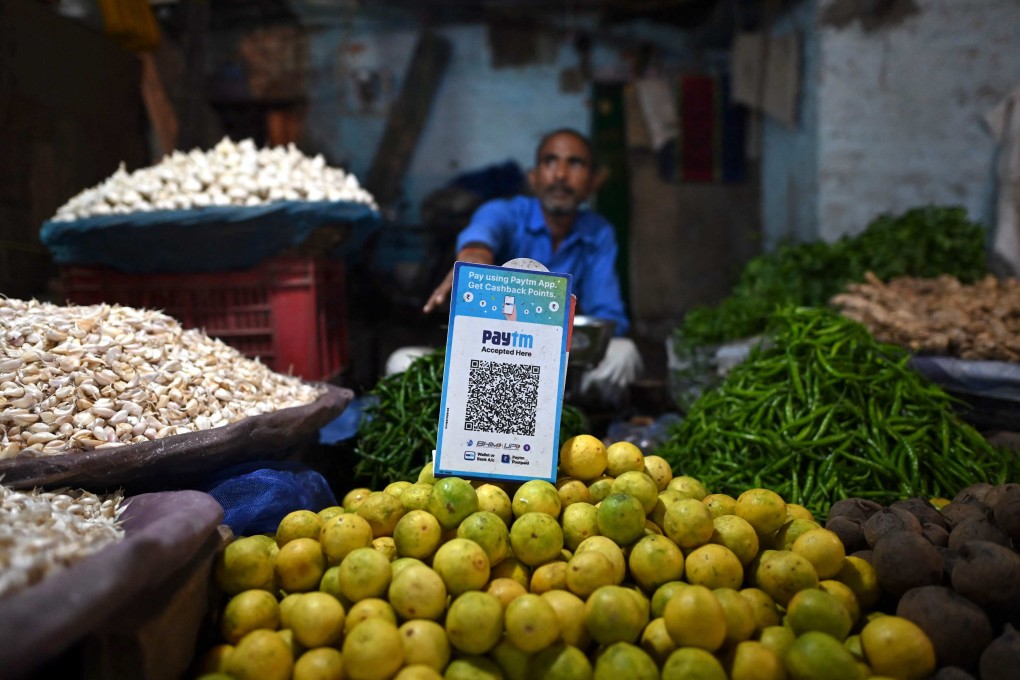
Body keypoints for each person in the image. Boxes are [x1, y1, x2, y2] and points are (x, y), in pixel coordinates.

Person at [389, 128, 643, 407]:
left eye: (575, 163)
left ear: (595, 181)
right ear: (533, 178)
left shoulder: (599, 233)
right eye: (550, 161)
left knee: (624, 355)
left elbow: (609, 318)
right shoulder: (505, 212)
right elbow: (481, 236)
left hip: (563, 362)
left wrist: (554, 314)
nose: (560, 174)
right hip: (488, 358)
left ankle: (576, 434)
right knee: (401, 364)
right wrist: (473, 262)